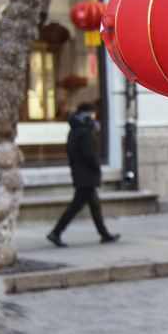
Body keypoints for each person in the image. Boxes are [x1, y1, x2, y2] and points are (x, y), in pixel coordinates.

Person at [46, 102, 120, 247]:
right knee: (76, 206)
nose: (94, 117)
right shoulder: (84, 131)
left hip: (80, 173)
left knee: (94, 205)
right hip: (86, 175)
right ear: (87, 114)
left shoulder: (74, 130)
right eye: (93, 114)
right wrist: (96, 166)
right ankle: (56, 232)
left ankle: (104, 234)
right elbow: (89, 153)